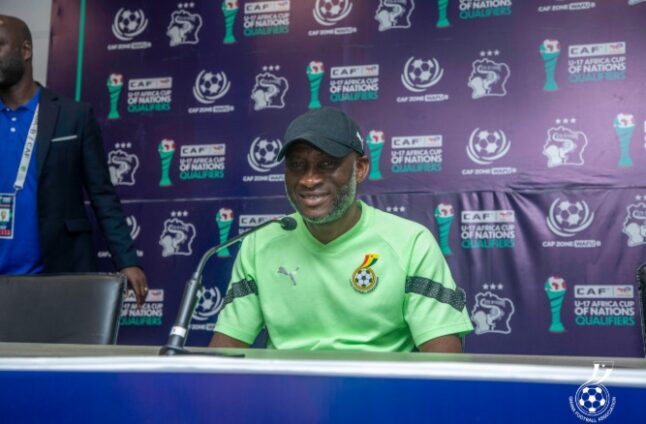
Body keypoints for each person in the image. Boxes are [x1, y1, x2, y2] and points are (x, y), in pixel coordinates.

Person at [209, 107, 473, 352]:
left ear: (360, 169)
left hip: (378, 387)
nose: (309, 179)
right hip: (286, 387)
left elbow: (443, 363)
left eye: (327, 164)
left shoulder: (411, 243)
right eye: (296, 165)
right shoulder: (260, 242)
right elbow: (225, 351)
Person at [0, 15, 148, 304]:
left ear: (26, 50)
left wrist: (127, 259)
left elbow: (102, 194)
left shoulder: (73, 116)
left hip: (56, 274)